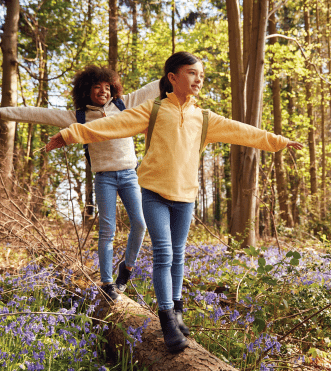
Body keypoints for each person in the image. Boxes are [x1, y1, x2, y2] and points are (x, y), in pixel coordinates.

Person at [45, 52, 304, 352]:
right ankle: (166, 318)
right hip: (154, 193)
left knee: (178, 255)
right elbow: (111, 125)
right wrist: (70, 134)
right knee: (164, 253)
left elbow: (241, 131)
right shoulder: (152, 110)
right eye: (192, 73)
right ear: (172, 77)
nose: (198, 79)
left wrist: (278, 141)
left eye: (201, 76)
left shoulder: (204, 118)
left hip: (185, 197)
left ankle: (178, 312)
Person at [0, 66, 159, 302]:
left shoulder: (124, 105)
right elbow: (39, 114)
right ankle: (107, 283)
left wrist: (179, 72)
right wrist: (4, 112)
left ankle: (126, 269)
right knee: (107, 230)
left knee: (140, 223)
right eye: (97, 87)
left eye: (107, 87)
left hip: (129, 175)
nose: (103, 92)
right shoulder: (79, 117)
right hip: (104, 178)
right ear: (87, 90)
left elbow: (154, 87)